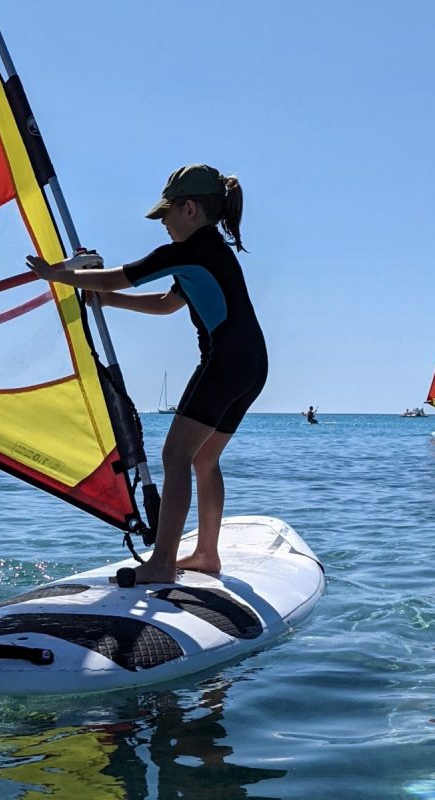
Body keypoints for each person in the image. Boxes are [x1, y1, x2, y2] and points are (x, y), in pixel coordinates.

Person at [25, 164, 266, 585]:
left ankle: (163, 562)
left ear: (189, 208)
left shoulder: (189, 252)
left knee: (176, 455)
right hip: (252, 364)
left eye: (166, 215)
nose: (163, 225)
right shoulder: (209, 253)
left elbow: (123, 276)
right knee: (205, 459)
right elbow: (164, 304)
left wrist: (58, 275)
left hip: (226, 362)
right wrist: (105, 302)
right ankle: (207, 554)